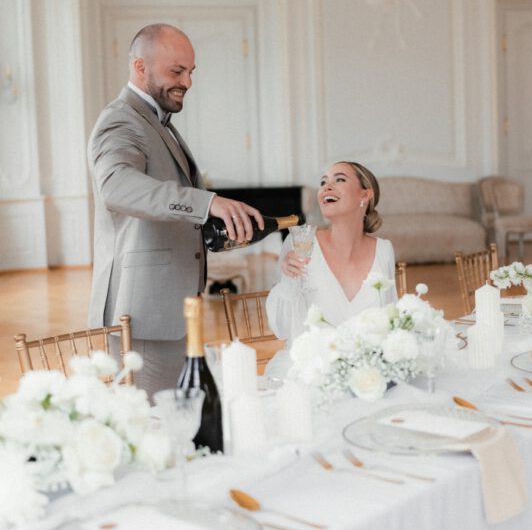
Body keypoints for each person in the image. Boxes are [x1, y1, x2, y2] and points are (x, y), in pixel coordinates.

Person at [88, 23, 264, 396]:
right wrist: (207, 202)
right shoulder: (121, 118)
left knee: (176, 418)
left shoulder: (158, 122)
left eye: (190, 72)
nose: (187, 82)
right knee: (153, 423)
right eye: (176, 71)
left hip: (170, 307)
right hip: (143, 313)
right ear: (140, 67)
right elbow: (117, 187)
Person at [266, 161, 396, 366]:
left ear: (365, 195)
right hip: (309, 369)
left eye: (340, 179)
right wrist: (289, 280)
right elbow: (280, 329)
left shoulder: (384, 250)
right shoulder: (301, 243)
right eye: (323, 182)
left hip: (367, 370)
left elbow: (390, 321)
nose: (326, 186)